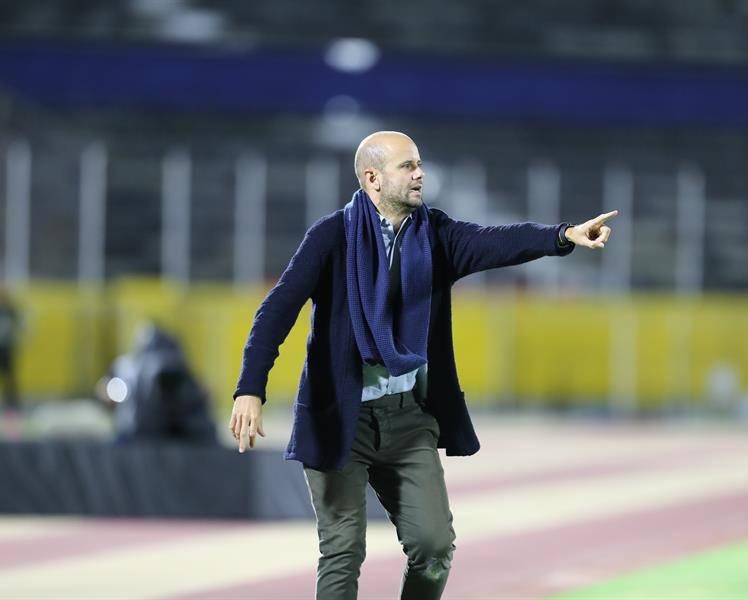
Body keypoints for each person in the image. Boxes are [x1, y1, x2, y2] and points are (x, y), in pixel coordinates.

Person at [231, 131, 615, 600]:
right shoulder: (331, 237)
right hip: (339, 418)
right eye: (407, 166)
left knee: (433, 546)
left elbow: (495, 241)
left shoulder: (435, 235)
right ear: (373, 178)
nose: (420, 174)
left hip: (409, 418)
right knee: (343, 551)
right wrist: (250, 388)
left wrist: (561, 236)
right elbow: (276, 310)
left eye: (419, 165)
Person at [97, 323, 216, 444]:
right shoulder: (127, 367)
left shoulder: (128, 366)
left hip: (167, 438)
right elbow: (106, 394)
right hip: (136, 437)